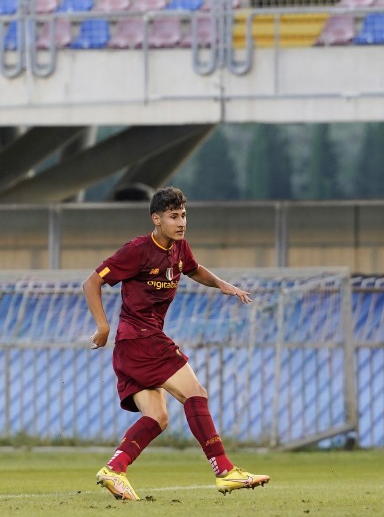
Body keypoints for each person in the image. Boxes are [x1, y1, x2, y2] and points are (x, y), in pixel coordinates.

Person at [83, 186, 270, 501]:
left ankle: (115, 469)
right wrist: (102, 326)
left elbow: (194, 269)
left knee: (158, 418)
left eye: (183, 215)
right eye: (173, 216)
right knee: (196, 394)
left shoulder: (180, 250)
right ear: (156, 219)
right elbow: (92, 282)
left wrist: (222, 284)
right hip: (141, 340)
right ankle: (224, 470)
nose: (181, 222)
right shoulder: (137, 250)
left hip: (133, 347)